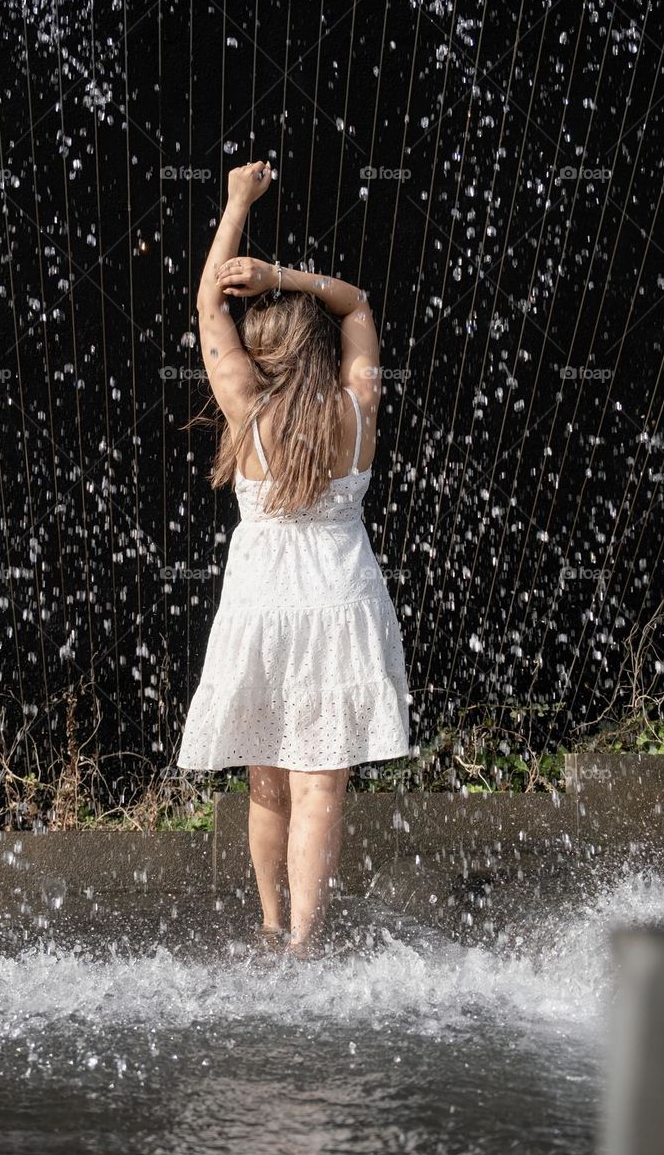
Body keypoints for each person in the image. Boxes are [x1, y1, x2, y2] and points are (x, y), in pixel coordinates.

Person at [176, 159, 411, 959]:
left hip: (261, 609)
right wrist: (286, 277)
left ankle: (271, 928)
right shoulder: (358, 406)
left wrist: (238, 204)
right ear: (319, 348)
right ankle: (309, 944)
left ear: (257, 351)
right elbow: (357, 303)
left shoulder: (246, 410)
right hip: (342, 604)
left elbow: (208, 300)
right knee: (321, 787)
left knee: (267, 781)